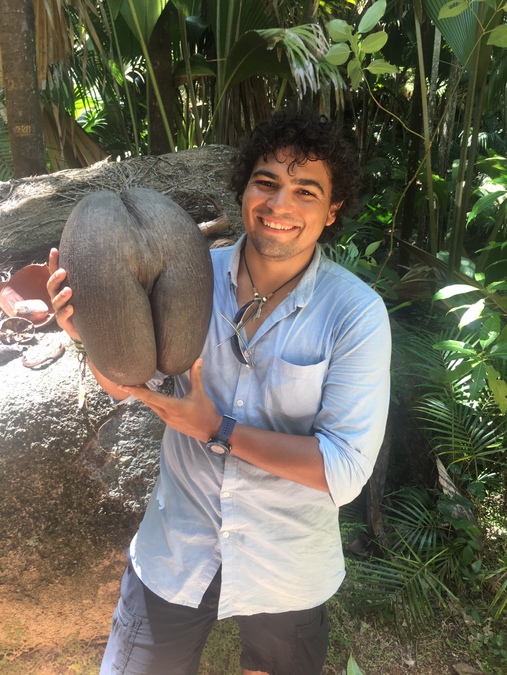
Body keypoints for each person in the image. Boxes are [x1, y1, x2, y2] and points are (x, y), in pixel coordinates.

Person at [47, 107, 391, 675]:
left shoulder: (354, 315)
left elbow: (344, 471)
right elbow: (129, 385)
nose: (280, 205)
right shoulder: (190, 275)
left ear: (332, 212)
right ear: (243, 192)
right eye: (267, 183)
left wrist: (217, 429)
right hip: (177, 548)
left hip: (287, 565)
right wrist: (90, 335)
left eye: (305, 191)